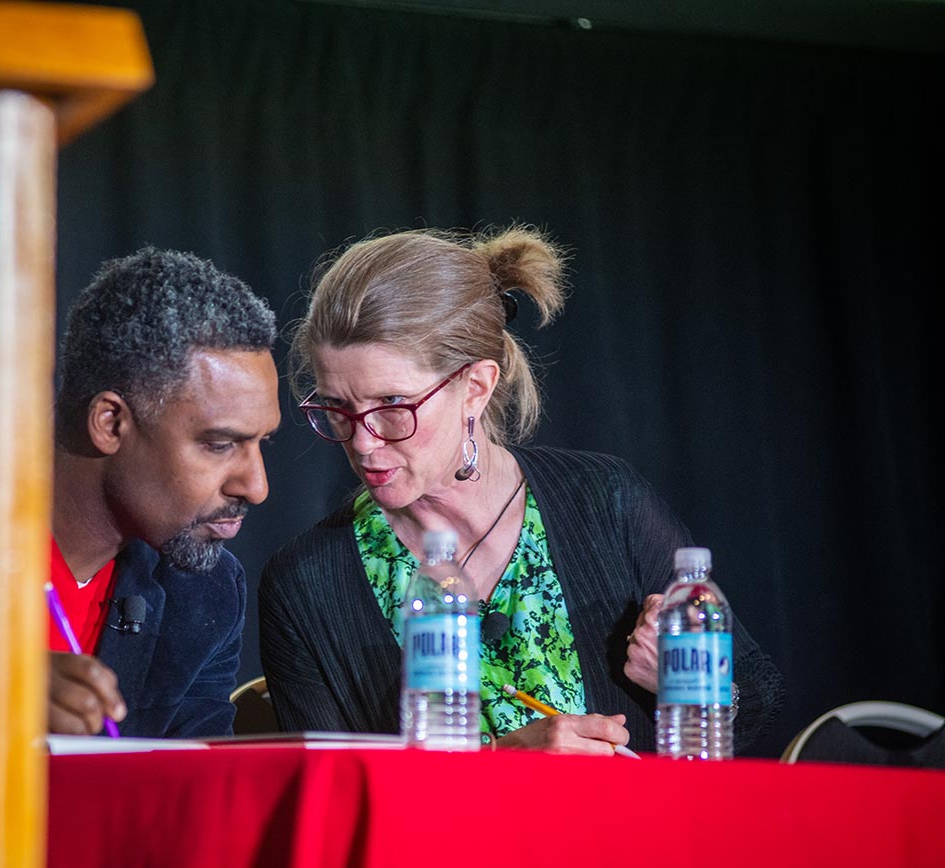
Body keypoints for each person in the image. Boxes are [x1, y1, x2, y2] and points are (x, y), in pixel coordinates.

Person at [259, 227, 782, 754]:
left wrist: (685, 686)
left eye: (394, 405)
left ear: (476, 387)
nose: (365, 442)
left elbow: (756, 699)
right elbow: (332, 796)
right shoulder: (306, 582)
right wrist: (505, 764)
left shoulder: (603, 501)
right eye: (337, 409)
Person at [49, 247, 281, 738]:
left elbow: (191, 789)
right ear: (110, 422)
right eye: (220, 445)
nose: (256, 487)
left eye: (262, 443)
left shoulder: (206, 593)